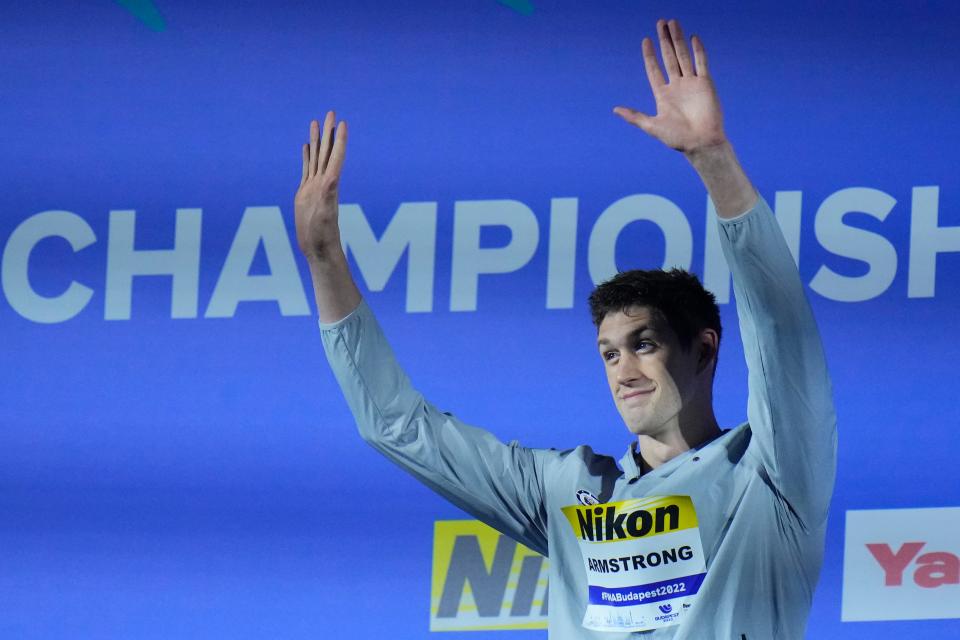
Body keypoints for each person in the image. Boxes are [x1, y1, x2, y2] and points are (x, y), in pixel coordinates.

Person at [295, 18, 836, 639]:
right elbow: (397, 426)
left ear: (704, 348)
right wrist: (323, 259)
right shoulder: (569, 491)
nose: (624, 371)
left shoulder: (771, 473)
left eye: (645, 345)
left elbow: (780, 327)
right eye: (608, 354)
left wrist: (714, 160)